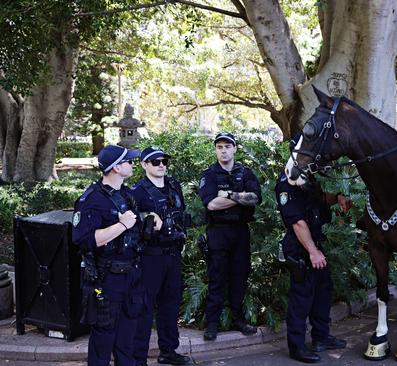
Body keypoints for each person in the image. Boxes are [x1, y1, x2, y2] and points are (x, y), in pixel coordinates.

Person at [275, 138, 352, 363]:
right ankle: (297, 347)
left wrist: (337, 198)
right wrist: (312, 251)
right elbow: (298, 222)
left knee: (322, 293)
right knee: (301, 298)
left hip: (315, 244)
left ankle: (321, 337)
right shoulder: (286, 184)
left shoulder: (307, 178)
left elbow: (318, 203)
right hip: (301, 249)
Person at [72, 145, 149, 366]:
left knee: (128, 337)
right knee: (103, 338)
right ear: (116, 168)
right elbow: (86, 239)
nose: (132, 164)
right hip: (107, 278)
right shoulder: (92, 200)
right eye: (128, 161)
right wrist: (122, 225)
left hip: (132, 273)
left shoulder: (126, 193)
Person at [198, 132, 261, 341]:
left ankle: (238, 319)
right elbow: (212, 204)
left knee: (239, 277)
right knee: (217, 278)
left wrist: (228, 195)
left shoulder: (246, 172)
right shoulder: (209, 174)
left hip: (240, 232)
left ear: (235, 148)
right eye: (219, 147)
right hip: (218, 232)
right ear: (216, 150)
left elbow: (254, 198)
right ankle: (212, 323)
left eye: (227, 146)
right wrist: (240, 197)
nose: (223, 150)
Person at [132, 147, 192, 366]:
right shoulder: (137, 191)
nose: (161, 165)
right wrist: (146, 216)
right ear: (144, 165)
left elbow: (180, 214)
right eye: (155, 162)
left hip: (173, 254)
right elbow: (128, 220)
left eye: (164, 161)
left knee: (170, 305)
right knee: (145, 307)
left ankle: (168, 350)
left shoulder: (174, 186)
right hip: (150, 257)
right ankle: (138, 357)